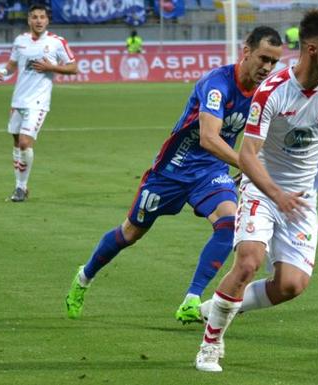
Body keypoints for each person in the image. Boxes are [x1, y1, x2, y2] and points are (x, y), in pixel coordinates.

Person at [64, 26, 284, 324]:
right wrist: (246, 166)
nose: (267, 67)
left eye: (273, 61)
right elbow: (208, 138)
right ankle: (84, 276)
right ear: (246, 52)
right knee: (131, 233)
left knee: (229, 223)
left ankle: (191, 299)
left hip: (211, 171)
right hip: (172, 170)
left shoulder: (263, 91)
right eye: (263, 59)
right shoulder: (217, 83)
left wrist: (250, 166)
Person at [195, 9, 318, 372]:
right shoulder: (271, 92)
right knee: (248, 260)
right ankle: (211, 345)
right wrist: (276, 194)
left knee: (292, 285)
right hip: (263, 191)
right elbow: (248, 155)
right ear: (313, 49)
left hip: (301, 201)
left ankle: (216, 306)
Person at [0, 4, 77, 202]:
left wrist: (52, 67)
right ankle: (19, 186)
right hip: (18, 100)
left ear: (47, 20)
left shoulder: (57, 42)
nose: (39, 20)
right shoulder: (20, 41)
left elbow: (74, 67)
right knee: (17, 143)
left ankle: (22, 187)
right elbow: (12, 64)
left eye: (42, 17)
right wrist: (4, 72)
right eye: (35, 17)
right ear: (29, 20)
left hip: (38, 102)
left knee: (25, 142)